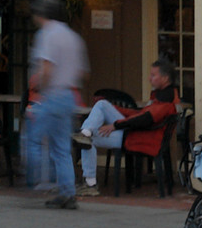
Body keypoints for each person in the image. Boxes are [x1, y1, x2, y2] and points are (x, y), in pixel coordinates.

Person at [74, 58, 180, 193]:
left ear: (165, 78)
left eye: (153, 75)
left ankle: (90, 183)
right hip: (134, 133)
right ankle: (85, 133)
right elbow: (141, 114)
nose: (149, 78)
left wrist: (116, 125)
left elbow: (145, 119)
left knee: (89, 138)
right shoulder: (164, 97)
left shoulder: (165, 102)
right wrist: (115, 109)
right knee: (102, 106)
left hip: (137, 138)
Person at [23, 0, 88, 209]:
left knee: (32, 138)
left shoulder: (47, 34)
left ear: (42, 14)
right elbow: (82, 72)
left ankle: (35, 179)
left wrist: (40, 86)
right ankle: (67, 193)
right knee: (61, 147)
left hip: (51, 94)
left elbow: (47, 67)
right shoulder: (73, 37)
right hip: (69, 95)